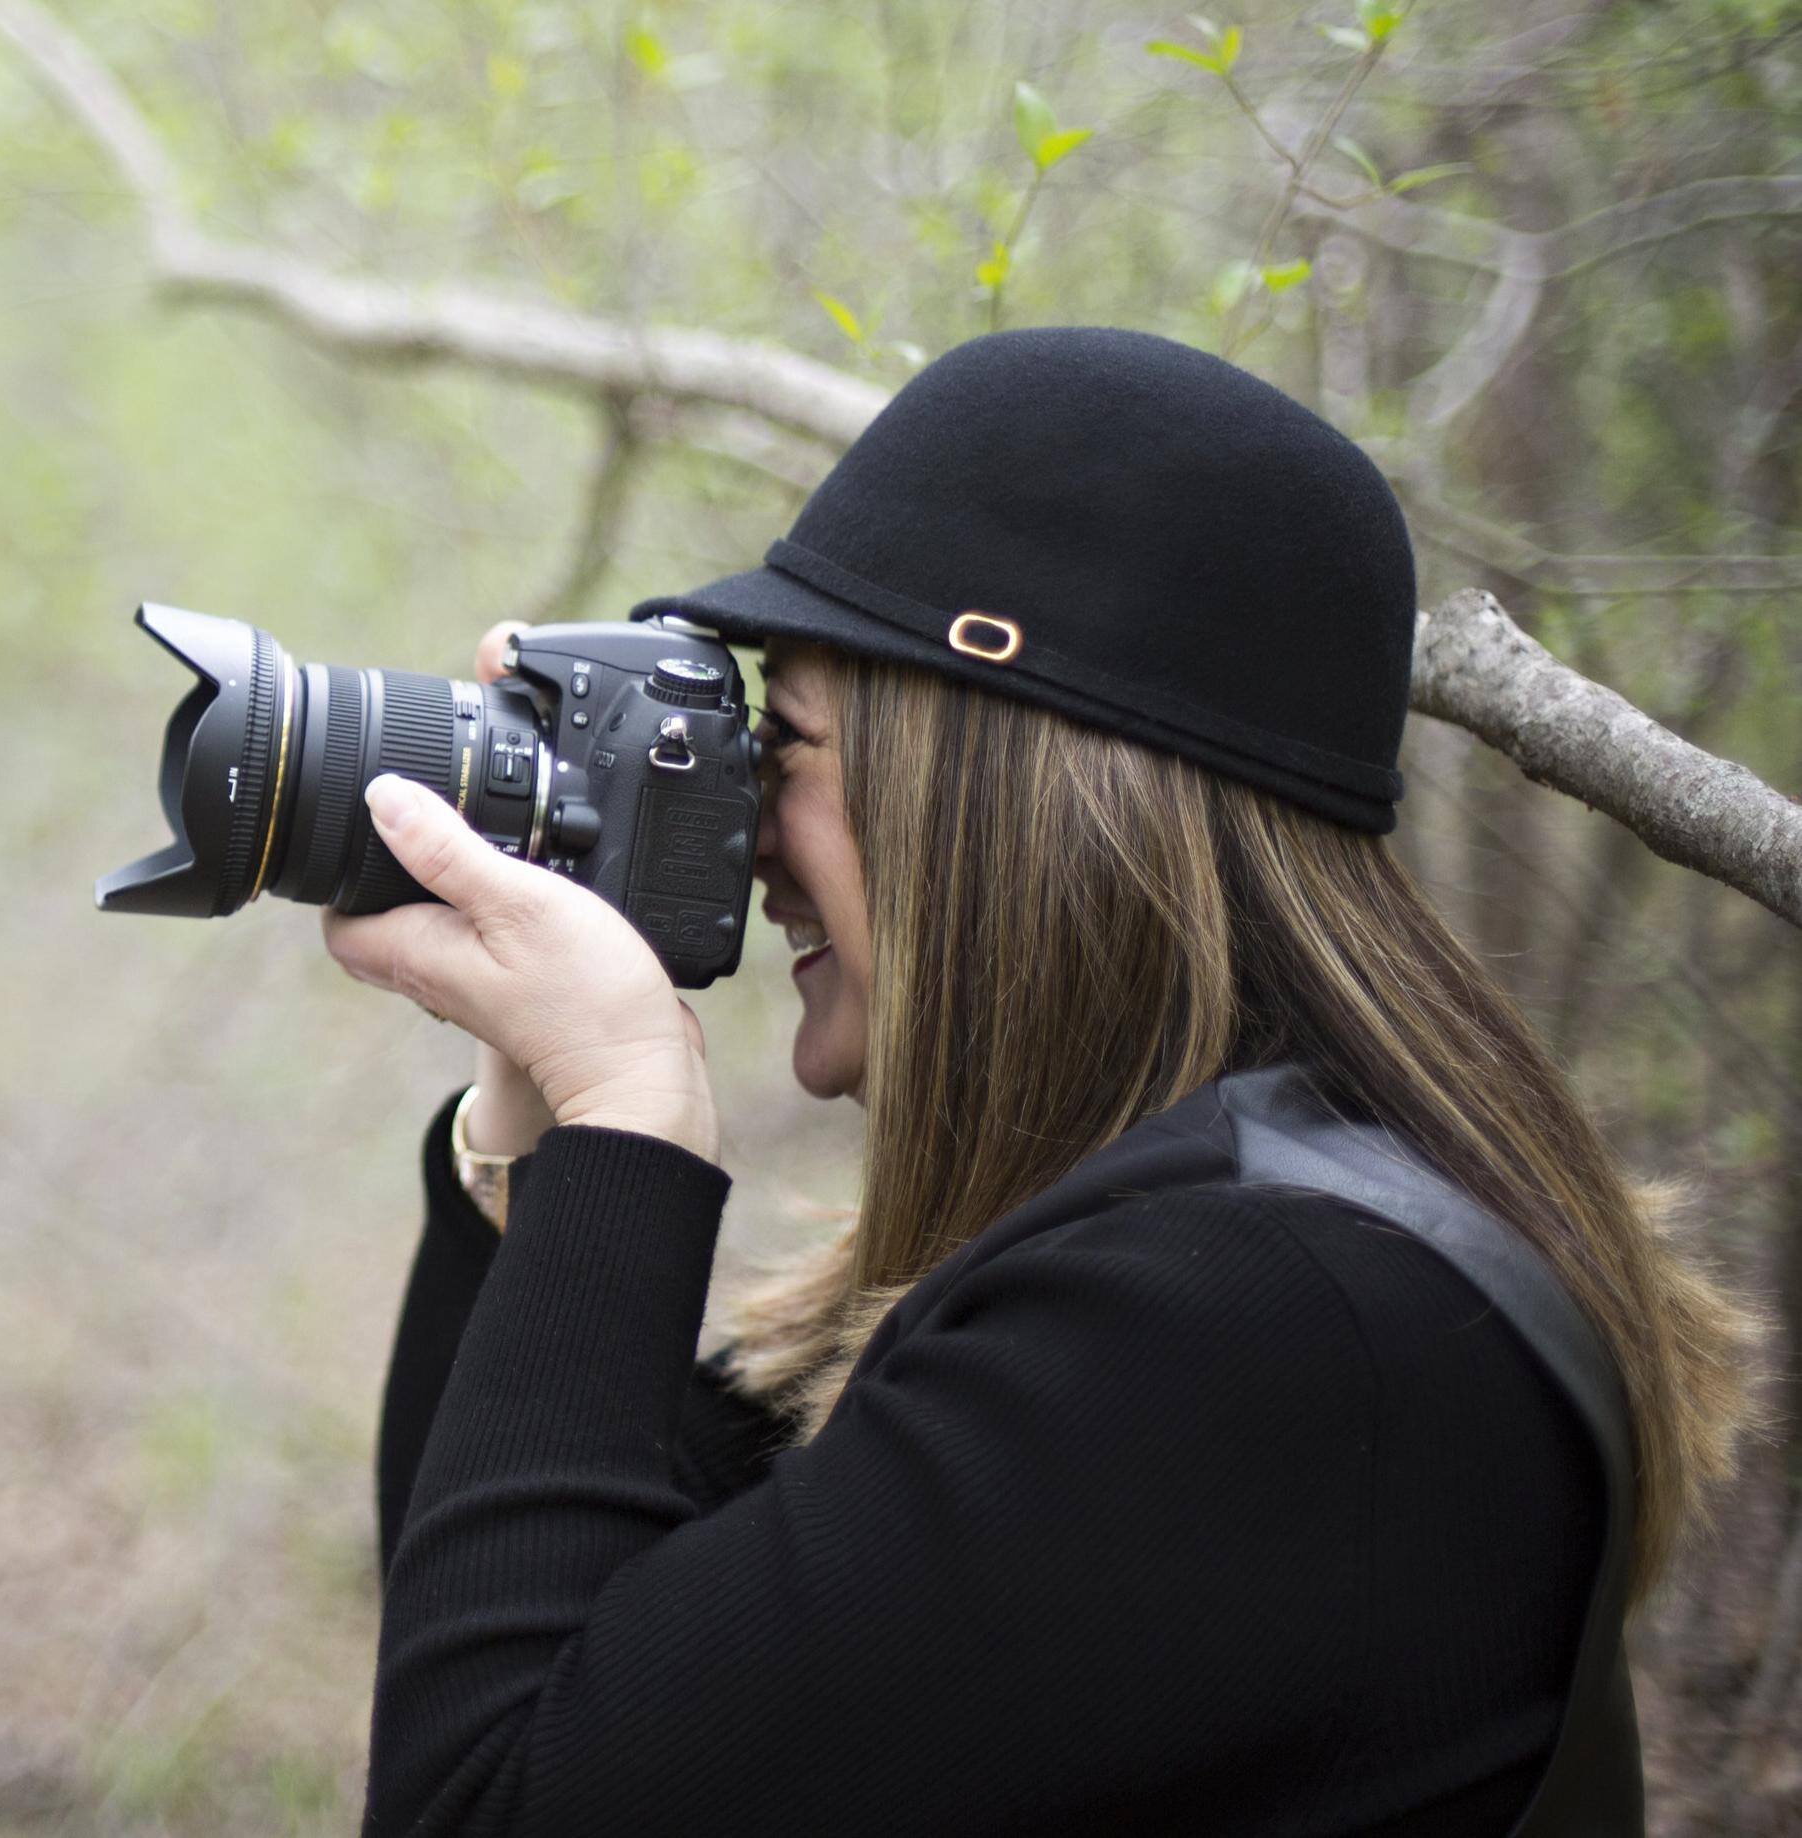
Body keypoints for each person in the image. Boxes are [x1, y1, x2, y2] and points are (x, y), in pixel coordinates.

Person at [322, 328, 1755, 1836]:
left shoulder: (1261, 1322)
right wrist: (531, 1119)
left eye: (788, 748)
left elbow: (486, 1797)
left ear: (996, 790)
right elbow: (504, 1624)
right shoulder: (1207, 1256)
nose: (743, 838)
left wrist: (625, 1104)